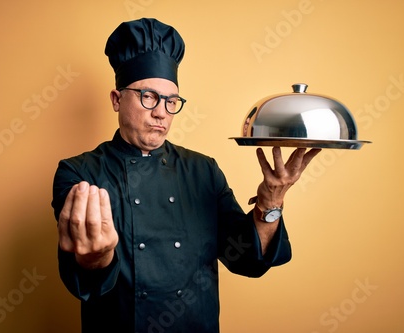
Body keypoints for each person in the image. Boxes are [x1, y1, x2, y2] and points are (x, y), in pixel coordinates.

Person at [51, 18, 320, 333]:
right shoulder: (79, 173)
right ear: (117, 99)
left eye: (171, 101)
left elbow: (245, 258)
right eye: (148, 97)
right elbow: (86, 280)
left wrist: (271, 202)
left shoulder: (203, 170)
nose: (161, 112)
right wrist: (97, 257)